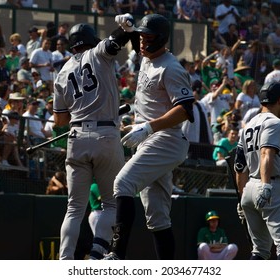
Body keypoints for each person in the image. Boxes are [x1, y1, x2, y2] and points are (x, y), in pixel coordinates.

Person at [103, 13, 195, 260]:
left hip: (165, 139)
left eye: (148, 37)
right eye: (141, 36)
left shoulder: (171, 67)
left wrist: (149, 127)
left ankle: (116, 254)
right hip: (149, 139)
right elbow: (138, 39)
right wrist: (129, 28)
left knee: (122, 183)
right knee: (157, 216)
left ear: (161, 39)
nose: (142, 41)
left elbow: (186, 109)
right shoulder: (148, 55)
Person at [53, 21, 134, 260]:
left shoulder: (62, 72)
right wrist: (126, 28)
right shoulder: (97, 53)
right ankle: (98, 252)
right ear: (91, 39)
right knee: (112, 203)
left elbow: (59, 121)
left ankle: (64, 262)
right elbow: (115, 41)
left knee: (74, 209)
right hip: (105, 134)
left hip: (76, 136)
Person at [234, 81, 280, 259]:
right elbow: (266, 153)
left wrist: (241, 197)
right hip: (271, 185)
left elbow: (240, 165)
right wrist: (266, 186)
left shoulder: (248, 125)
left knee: (260, 250)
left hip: (249, 189)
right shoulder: (276, 122)